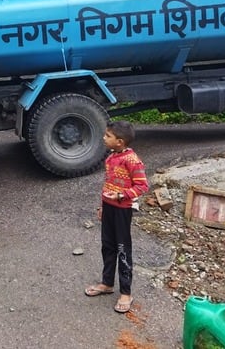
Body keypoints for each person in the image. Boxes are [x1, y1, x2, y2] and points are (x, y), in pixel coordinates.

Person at [84, 120, 149, 314]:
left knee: (122, 249)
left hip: (122, 211)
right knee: (107, 246)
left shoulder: (132, 160)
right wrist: (102, 206)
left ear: (119, 141)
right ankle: (107, 283)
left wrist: (122, 196)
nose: (104, 138)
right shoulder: (111, 157)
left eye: (107, 136)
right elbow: (108, 184)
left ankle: (126, 292)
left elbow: (142, 186)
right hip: (109, 209)